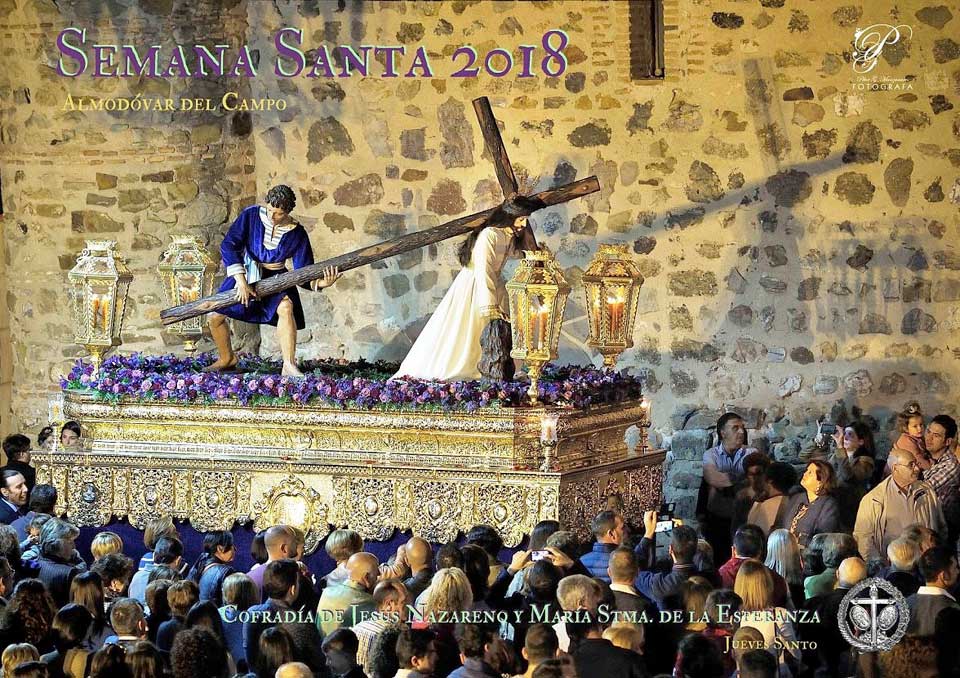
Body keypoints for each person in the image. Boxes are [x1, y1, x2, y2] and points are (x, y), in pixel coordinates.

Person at [204, 184, 340, 376]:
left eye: (278, 214)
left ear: (288, 211)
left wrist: (320, 283)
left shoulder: (297, 233)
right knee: (215, 316)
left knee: (286, 307)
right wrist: (241, 281)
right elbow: (229, 245)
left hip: (277, 279)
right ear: (266, 204)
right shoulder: (251, 216)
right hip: (247, 273)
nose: (272, 217)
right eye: (270, 210)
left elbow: (303, 270)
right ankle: (227, 357)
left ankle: (289, 365)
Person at [392, 212, 538, 382]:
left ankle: (500, 367)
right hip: (476, 286)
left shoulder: (508, 235)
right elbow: (484, 270)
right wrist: (489, 305)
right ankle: (468, 367)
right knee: (468, 326)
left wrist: (535, 252)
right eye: (520, 218)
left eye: (525, 218)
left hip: (494, 285)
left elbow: (514, 253)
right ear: (509, 216)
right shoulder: (489, 234)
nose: (523, 223)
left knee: (501, 329)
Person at [854, 447, 946, 570]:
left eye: (916, 464)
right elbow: (863, 538)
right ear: (895, 468)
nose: (917, 469)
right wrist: (880, 566)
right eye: (910, 465)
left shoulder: (926, 491)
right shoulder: (874, 499)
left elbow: (941, 527)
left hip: (928, 565)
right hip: (894, 568)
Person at [702, 412, 756, 562]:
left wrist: (724, 481)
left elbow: (756, 485)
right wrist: (743, 478)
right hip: (719, 520)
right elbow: (713, 478)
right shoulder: (711, 455)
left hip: (745, 518)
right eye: (735, 428)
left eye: (742, 428)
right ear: (723, 433)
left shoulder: (751, 453)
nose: (741, 432)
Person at [777, 460, 840, 549]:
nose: (805, 474)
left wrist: (801, 540)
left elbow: (822, 538)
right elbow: (782, 524)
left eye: (810, 473)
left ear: (821, 480)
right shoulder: (796, 498)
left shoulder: (829, 505)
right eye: (806, 471)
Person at [830, 421, 877, 531]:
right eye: (844, 433)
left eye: (850, 434)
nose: (845, 437)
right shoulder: (838, 455)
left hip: (849, 510)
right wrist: (819, 440)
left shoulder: (866, 462)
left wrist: (840, 448)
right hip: (834, 505)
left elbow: (847, 477)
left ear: (861, 441)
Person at [187, 530, 235, 607]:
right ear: (220, 548)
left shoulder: (200, 563)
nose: (234, 549)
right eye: (231, 545)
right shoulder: (226, 572)